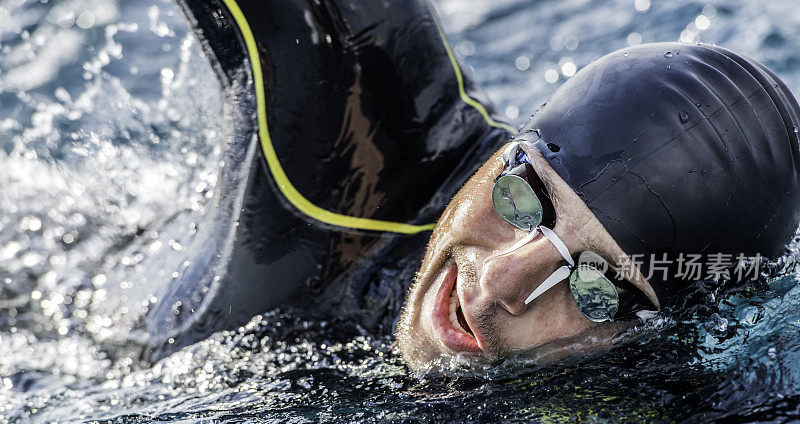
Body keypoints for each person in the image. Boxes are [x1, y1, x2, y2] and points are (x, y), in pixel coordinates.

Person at [123, 1, 800, 366]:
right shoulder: (359, 129)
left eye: (597, 287)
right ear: (510, 152)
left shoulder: (641, 381)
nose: (498, 288)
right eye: (523, 199)